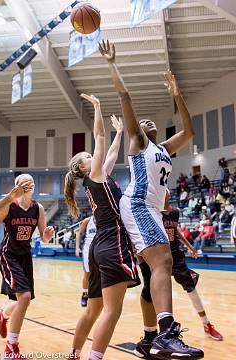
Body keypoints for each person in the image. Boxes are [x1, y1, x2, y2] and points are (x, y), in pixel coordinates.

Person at [100, 39, 203, 359]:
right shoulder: (139, 142)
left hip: (152, 211)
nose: (146, 123)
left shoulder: (164, 148)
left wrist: (177, 95)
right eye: (142, 122)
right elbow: (125, 97)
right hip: (140, 205)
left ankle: (152, 338)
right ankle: (165, 335)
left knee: (156, 272)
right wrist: (112, 64)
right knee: (163, 262)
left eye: (149, 122)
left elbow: (189, 131)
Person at [64, 94, 139, 360]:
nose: (92, 154)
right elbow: (99, 139)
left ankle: (73, 354)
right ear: (84, 167)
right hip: (112, 243)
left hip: (99, 248)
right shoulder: (94, 175)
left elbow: (109, 152)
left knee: (93, 310)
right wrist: (97, 107)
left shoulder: (99, 177)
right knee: (112, 310)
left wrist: (119, 133)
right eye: (88, 156)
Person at [134, 190, 223, 358]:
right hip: (158, 254)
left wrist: (189, 246)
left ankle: (207, 324)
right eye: (164, 193)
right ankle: (151, 336)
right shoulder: (152, 212)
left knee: (191, 287)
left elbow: (176, 232)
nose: (166, 194)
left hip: (176, 255)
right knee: (149, 290)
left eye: (167, 193)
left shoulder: (174, 212)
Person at [0, 174, 54, 359]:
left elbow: (43, 238)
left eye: (32, 183)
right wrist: (8, 198)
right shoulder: (10, 207)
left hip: (25, 256)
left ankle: (2, 315)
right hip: (8, 254)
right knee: (25, 296)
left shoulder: (39, 208)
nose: (30, 185)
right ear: (18, 187)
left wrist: (47, 235)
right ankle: (11, 349)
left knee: (25, 300)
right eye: (25, 183)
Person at [75, 215, 96, 307]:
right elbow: (79, 233)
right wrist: (77, 247)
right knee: (87, 273)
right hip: (88, 249)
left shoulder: (104, 218)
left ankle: (97, 294)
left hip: (100, 249)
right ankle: (84, 294)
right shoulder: (87, 221)